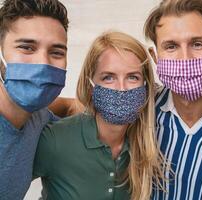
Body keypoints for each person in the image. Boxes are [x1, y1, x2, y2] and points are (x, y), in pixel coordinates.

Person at [33, 31, 165, 200]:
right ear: (91, 84)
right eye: (108, 77)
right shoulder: (54, 140)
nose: (122, 88)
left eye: (133, 77)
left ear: (145, 85)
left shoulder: (148, 141)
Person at [144, 0, 202, 199]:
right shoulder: (143, 109)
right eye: (171, 46)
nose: (185, 58)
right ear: (155, 56)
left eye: (197, 44)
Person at [0, 0, 69, 199]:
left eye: (56, 52)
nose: (43, 63)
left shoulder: (37, 117)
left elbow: (65, 106)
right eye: (27, 48)